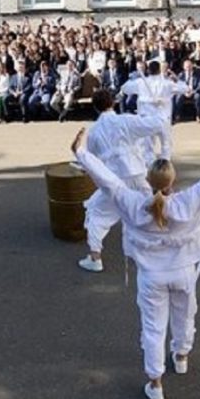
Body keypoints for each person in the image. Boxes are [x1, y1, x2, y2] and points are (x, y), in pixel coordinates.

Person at [71, 121, 200, 399]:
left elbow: (109, 181)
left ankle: (156, 382)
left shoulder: (132, 203)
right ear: (173, 182)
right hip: (184, 273)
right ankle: (181, 355)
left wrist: (82, 153)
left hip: (151, 276)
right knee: (185, 315)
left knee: (153, 327)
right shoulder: (190, 201)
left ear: (148, 182)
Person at [78, 90, 169, 273]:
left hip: (114, 180)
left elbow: (90, 160)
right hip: (137, 173)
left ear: (95, 107)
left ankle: (95, 257)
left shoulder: (94, 131)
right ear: (113, 103)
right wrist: (159, 108)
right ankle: (164, 246)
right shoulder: (125, 120)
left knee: (96, 212)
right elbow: (158, 123)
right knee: (151, 209)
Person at [121, 60, 188, 159]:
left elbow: (124, 88)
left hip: (147, 120)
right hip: (162, 119)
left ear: (148, 70)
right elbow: (185, 88)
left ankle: (150, 169)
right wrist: (177, 79)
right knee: (165, 145)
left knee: (147, 148)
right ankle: (164, 168)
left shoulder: (140, 83)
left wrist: (133, 78)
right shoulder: (166, 84)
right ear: (159, 70)